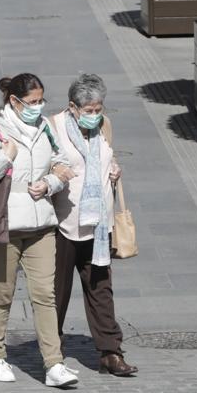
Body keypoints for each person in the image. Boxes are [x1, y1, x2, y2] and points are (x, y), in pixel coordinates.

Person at [0, 73, 79, 388]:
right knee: (1, 293)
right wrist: (5, 157)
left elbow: (62, 166)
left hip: (41, 225)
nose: (38, 106)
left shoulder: (45, 129)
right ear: (14, 101)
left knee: (45, 294)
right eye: (32, 102)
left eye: (41, 100)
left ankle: (54, 364)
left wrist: (50, 183)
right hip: (3, 226)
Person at [49, 74, 138, 377]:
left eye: (98, 108)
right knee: (55, 292)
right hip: (63, 223)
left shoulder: (104, 126)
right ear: (72, 107)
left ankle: (110, 352)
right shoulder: (53, 127)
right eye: (88, 110)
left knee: (101, 289)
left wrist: (112, 170)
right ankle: (52, 353)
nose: (95, 115)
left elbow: (105, 157)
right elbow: (44, 165)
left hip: (98, 225)